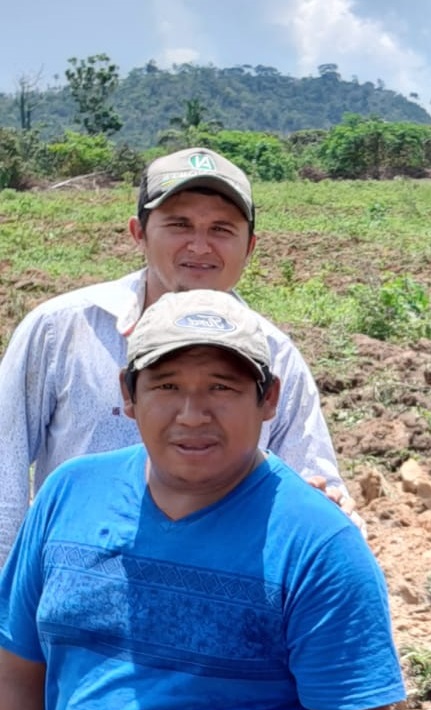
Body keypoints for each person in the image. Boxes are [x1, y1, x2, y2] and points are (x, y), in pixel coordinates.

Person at [0, 288, 406, 710]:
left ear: (268, 399)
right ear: (128, 396)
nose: (192, 413)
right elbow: (16, 678)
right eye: (166, 386)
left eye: (221, 387)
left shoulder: (317, 545)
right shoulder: (66, 498)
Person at [0, 146, 354, 566]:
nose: (200, 246)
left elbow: (311, 486)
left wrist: (324, 506)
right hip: (76, 591)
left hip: (215, 596)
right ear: (138, 233)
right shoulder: (61, 329)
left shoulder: (275, 356)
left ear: (251, 246)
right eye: (179, 224)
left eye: (222, 229)